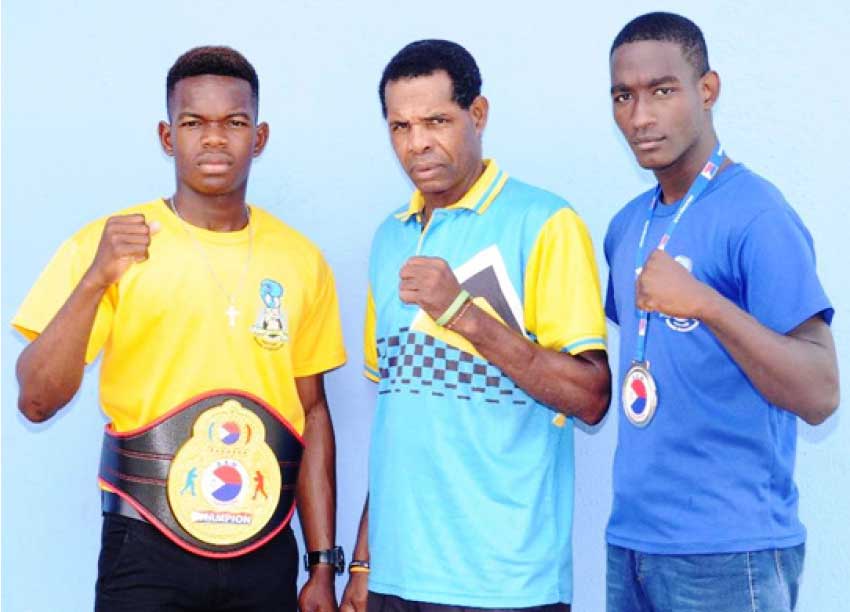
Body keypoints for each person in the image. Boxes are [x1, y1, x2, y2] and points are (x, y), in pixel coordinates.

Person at [13, 46, 347, 611]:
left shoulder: (300, 260)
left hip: (266, 551)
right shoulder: (110, 242)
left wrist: (320, 563)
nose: (214, 139)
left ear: (259, 137)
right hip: (145, 546)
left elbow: (312, 411)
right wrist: (97, 278)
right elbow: (37, 401)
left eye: (234, 123)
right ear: (168, 137)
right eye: (194, 123)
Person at [340, 39, 611, 612]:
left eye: (436, 120)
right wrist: (363, 563)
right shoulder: (390, 238)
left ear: (478, 114)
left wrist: (464, 314)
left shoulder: (544, 223)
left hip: (503, 583)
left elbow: (591, 397)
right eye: (400, 126)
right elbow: (401, 420)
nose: (417, 143)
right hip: (396, 578)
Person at [603, 12, 839, 612]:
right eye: (623, 96)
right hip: (632, 543)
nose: (640, 116)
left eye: (662, 91)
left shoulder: (757, 214)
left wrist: (706, 304)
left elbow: (820, 393)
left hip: (730, 552)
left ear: (706, 91)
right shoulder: (627, 225)